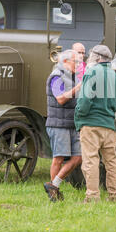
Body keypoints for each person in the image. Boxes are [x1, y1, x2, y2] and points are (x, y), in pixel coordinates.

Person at [75, 45, 116, 203]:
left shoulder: (91, 72)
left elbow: (84, 100)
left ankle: (92, 197)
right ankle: (115, 196)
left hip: (91, 124)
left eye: (90, 55)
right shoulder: (115, 76)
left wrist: (79, 116)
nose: (88, 58)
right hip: (109, 125)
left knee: (90, 161)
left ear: (96, 57)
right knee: (112, 162)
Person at [44, 49, 82, 202]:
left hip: (71, 124)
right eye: (76, 62)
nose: (78, 65)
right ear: (66, 62)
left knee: (78, 158)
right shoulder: (56, 77)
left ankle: (53, 184)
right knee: (58, 159)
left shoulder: (71, 76)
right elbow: (60, 99)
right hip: (58, 124)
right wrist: (77, 89)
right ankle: (54, 192)